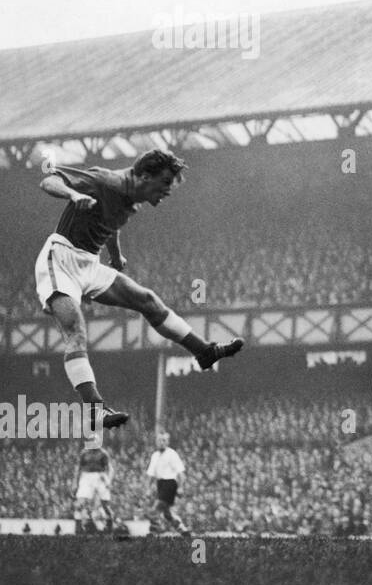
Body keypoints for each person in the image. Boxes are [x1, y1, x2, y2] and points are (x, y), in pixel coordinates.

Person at [35, 149, 245, 430]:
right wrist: (74, 195)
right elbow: (49, 181)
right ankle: (95, 409)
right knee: (75, 330)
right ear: (145, 176)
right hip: (60, 258)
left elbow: (110, 223)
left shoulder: (132, 202)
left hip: (89, 262)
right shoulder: (104, 180)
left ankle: (203, 352)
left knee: (147, 300)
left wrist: (116, 254)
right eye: (165, 182)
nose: (168, 190)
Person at [147, 430, 191, 538]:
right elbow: (151, 474)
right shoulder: (155, 456)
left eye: (164, 440)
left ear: (167, 442)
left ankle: (153, 532)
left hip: (170, 483)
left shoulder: (172, 454)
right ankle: (183, 530)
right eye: (159, 440)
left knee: (156, 508)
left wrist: (180, 487)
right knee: (167, 513)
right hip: (160, 484)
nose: (161, 442)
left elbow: (181, 473)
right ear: (156, 442)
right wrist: (148, 488)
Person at [73, 439, 115, 535]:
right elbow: (78, 468)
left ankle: (109, 529)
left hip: (100, 476)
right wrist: (75, 482)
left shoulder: (103, 453)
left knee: (105, 505)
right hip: (86, 477)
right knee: (80, 503)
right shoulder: (84, 453)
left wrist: (108, 481)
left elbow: (110, 469)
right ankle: (78, 528)